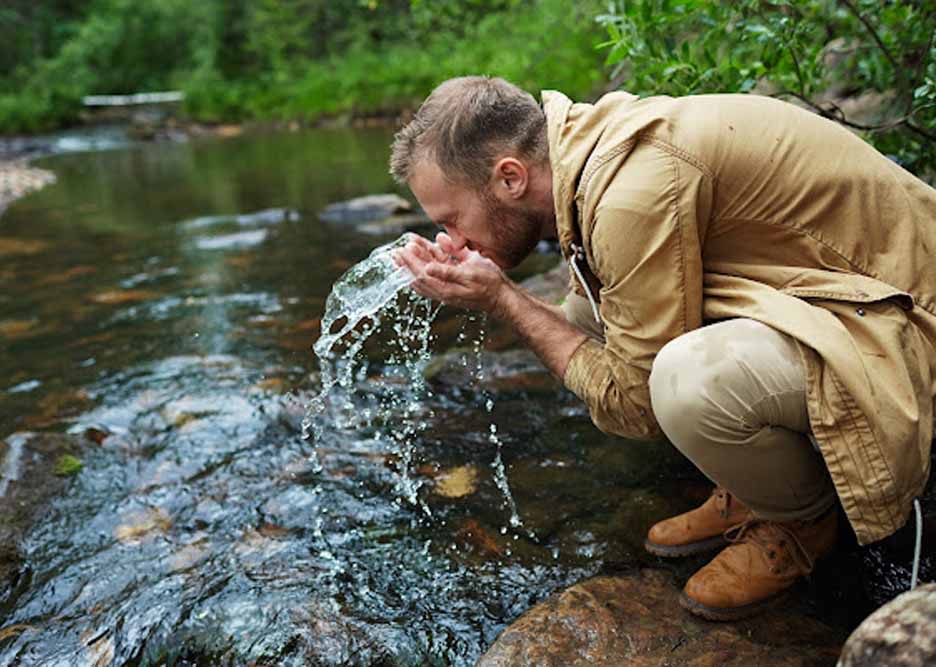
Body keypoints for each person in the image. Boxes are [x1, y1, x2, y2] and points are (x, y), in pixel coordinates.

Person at [390, 76, 936, 621]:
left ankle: (801, 521)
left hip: (904, 317)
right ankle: (754, 486)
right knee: (589, 319)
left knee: (684, 383)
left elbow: (638, 404)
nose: (452, 242)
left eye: (450, 221)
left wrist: (505, 300)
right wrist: (507, 296)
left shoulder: (630, 191)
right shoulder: (591, 155)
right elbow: (595, 336)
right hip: (832, 292)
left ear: (510, 177)